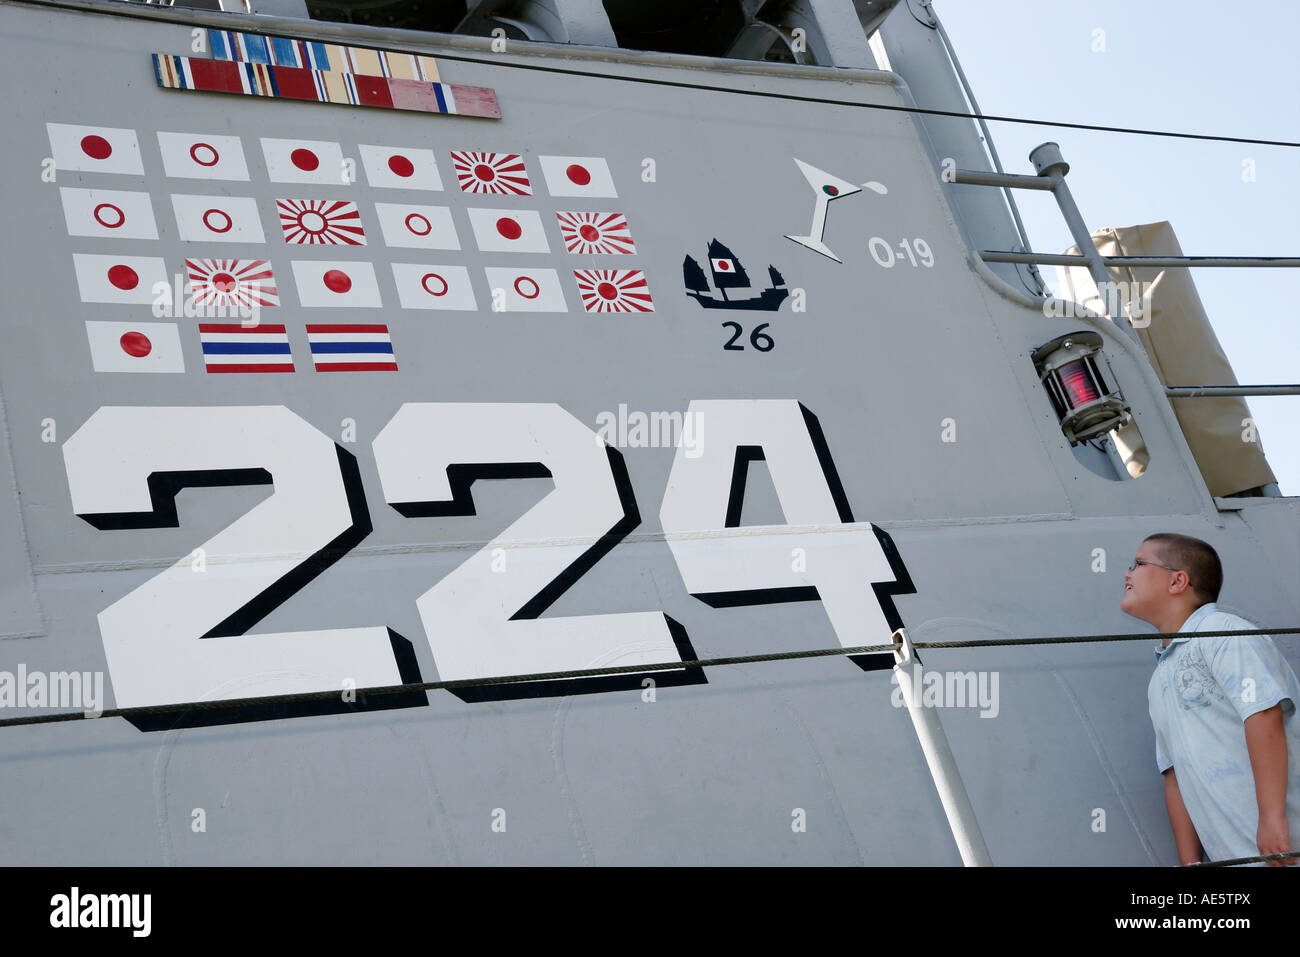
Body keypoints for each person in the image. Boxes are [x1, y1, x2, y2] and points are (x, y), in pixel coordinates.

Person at [1121, 532, 1300, 866]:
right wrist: (1190, 862)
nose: (1127, 573)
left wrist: (1272, 818)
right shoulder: (1159, 676)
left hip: (1283, 849)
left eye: (1139, 564)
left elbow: (1263, 715)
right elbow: (1173, 773)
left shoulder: (1224, 632)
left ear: (1177, 581)